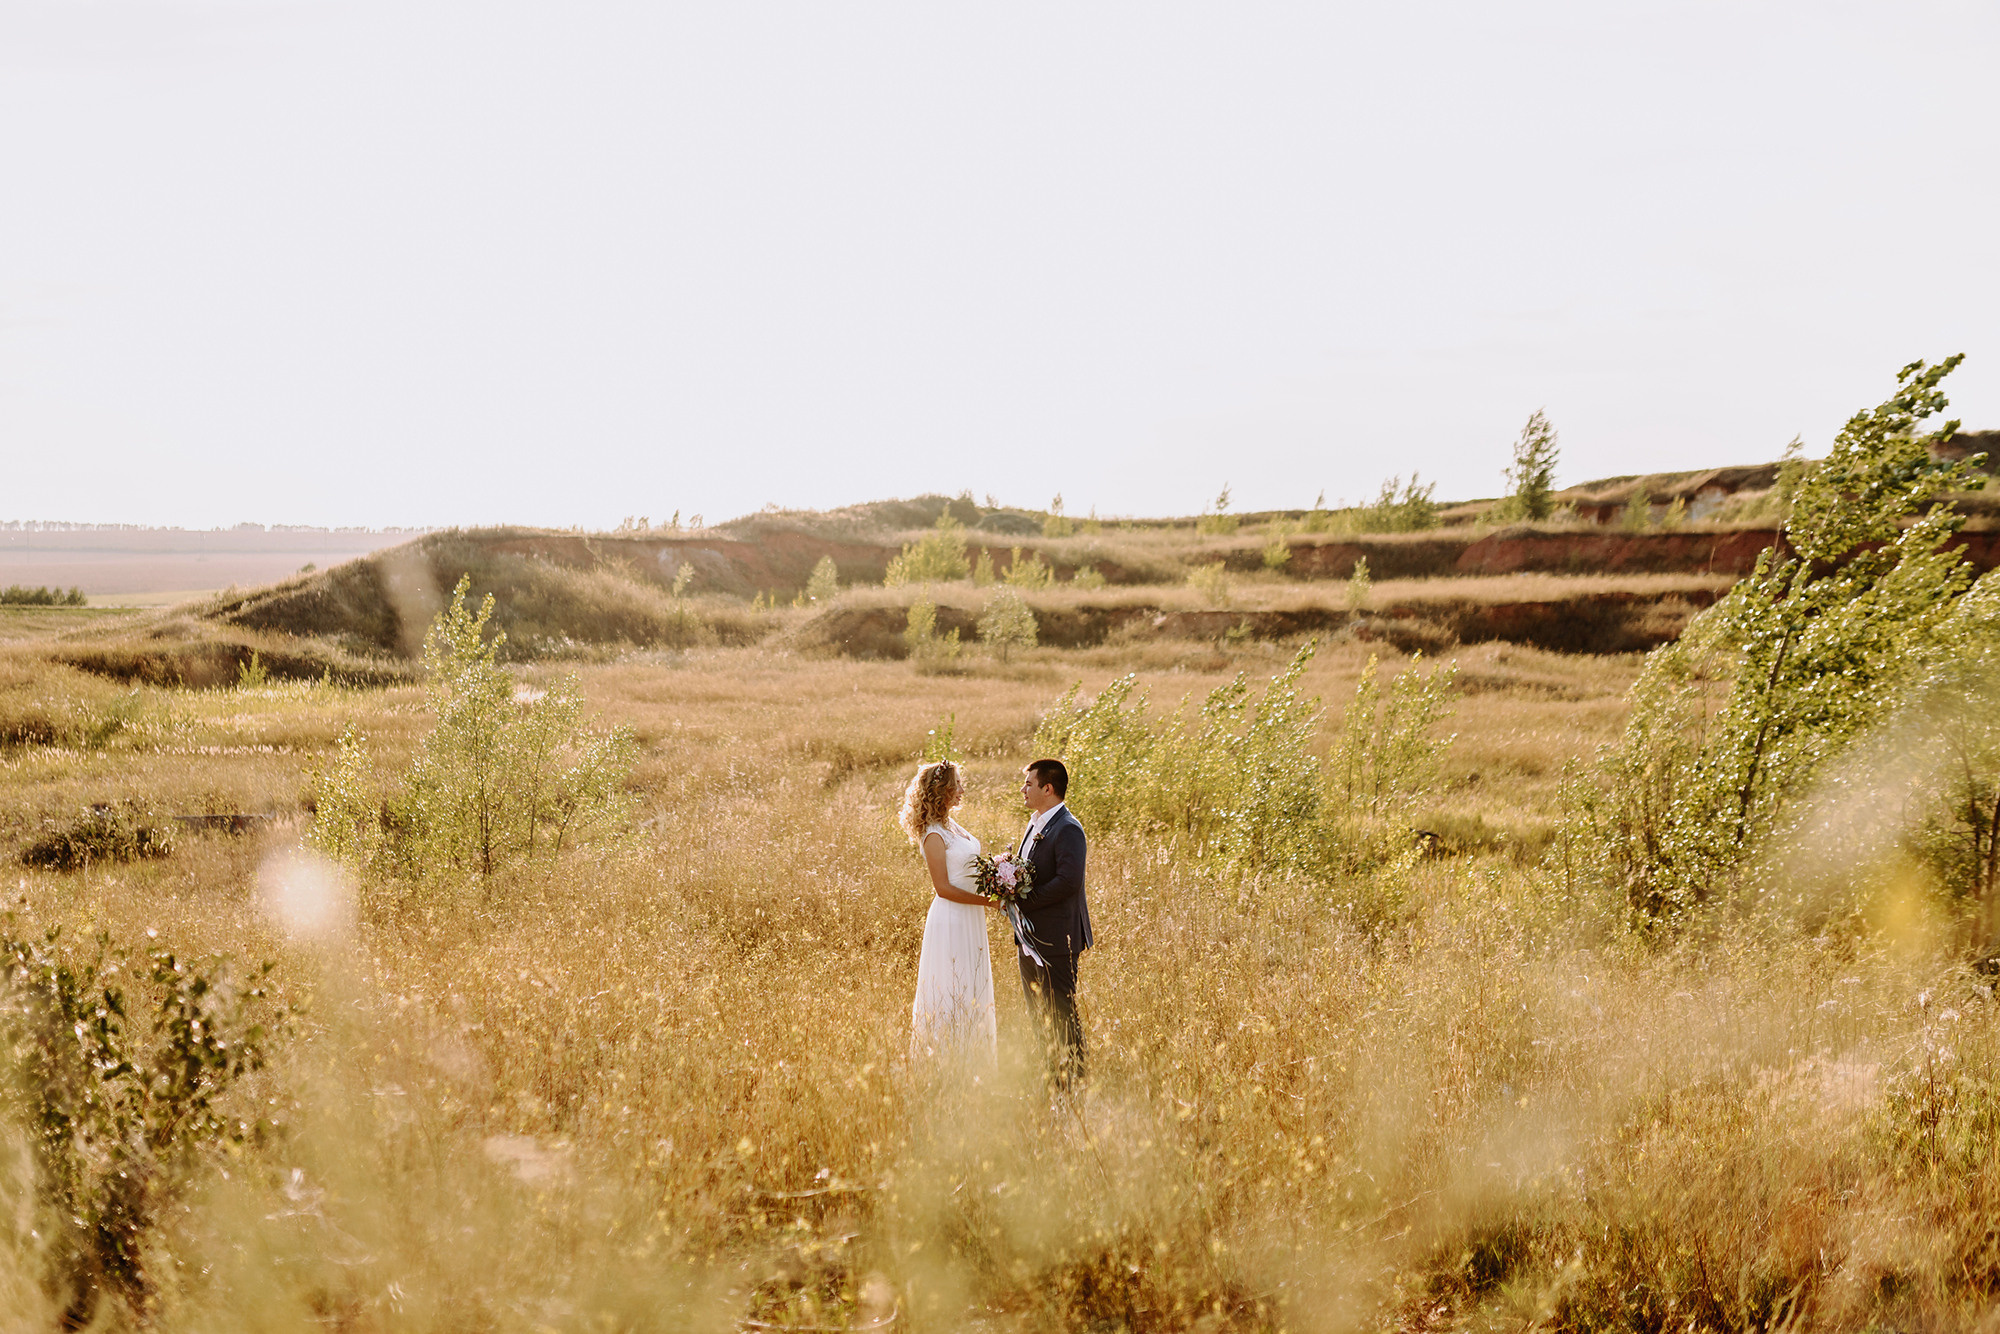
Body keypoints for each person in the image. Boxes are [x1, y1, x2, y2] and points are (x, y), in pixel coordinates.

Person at [899, 759, 997, 1066]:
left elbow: (968, 868)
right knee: (952, 984)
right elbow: (943, 887)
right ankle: (944, 1061)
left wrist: (997, 879)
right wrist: (990, 902)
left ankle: (974, 1059)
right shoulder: (933, 835)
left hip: (969, 916)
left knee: (972, 981)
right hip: (951, 917)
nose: (962, 791)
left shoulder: (952, 826)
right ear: (943, 791)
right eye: (958, 786)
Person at [1011, 758, 1092, 1091]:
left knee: (1062, 1012)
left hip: (1058, 939)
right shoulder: (1035, 823)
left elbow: (1069, 881)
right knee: (1039, 1015)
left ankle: (1074, 1085)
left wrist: (1025, 900)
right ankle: (1051, 1078)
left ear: (1048, 788)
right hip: (1030, 937)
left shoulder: (1068, 828)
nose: (1023, 789)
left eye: (1028, 783)